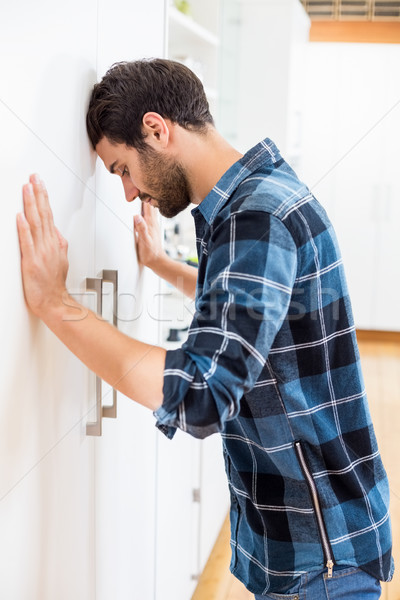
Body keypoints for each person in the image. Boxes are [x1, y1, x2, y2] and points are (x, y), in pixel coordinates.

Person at [17, 59, 393, 599]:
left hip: (322, 560)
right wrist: (164, 266)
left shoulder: (255, 217)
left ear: (156, 129)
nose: (127, 193)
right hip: (320, 543)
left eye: (123, 168)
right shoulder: (261, 194)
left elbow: (200, 394)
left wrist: (56, 304)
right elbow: (255, 310)